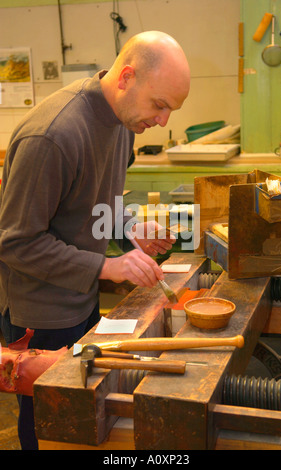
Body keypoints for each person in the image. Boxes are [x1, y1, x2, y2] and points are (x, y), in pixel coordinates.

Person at [0, 30, 190, 449]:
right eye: (160, 105)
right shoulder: (52, 137)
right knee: (52, 426)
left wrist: (127, 229)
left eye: (170, 110)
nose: (162, 121)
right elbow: (16, 242)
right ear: (126, 77)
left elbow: (96, 201)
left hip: (81, 299)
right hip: (41, 316)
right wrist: (107, 265)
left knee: (88, 418)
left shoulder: (124, 122)